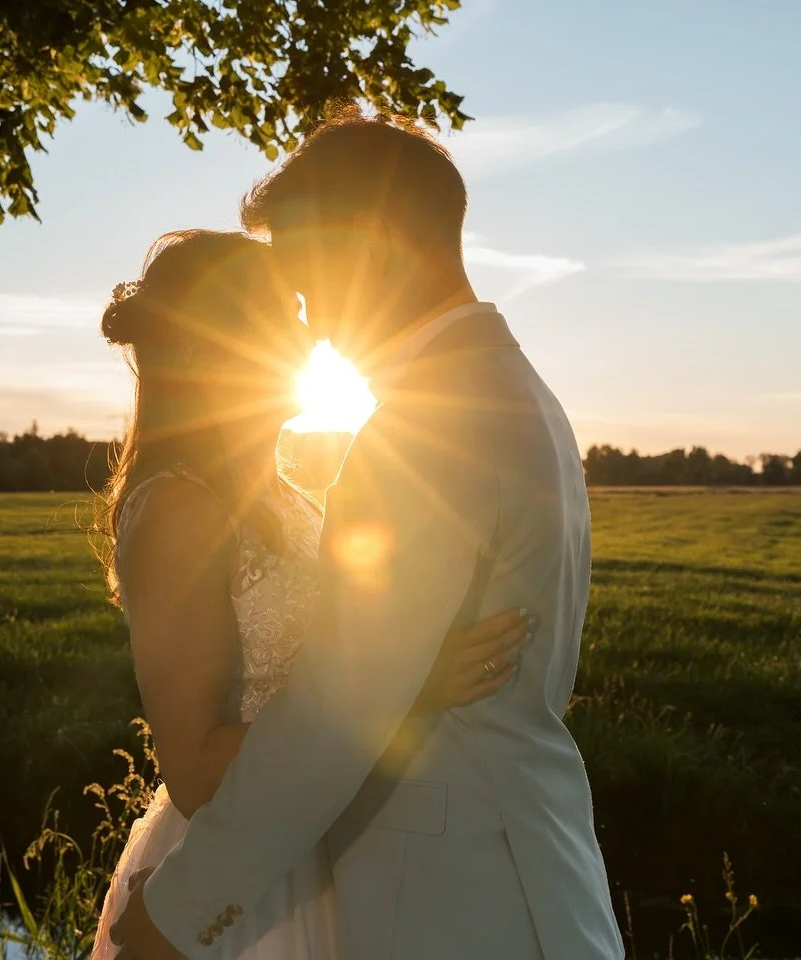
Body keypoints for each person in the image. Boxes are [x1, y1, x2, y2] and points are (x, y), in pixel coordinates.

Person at [109, 111, 625, 960]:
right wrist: (413, 680)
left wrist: (177, 912)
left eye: (310, 278)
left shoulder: (428, 426)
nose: (308, 320)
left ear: (374, 244)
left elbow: (339, 710)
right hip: (520, 870)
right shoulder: (513, 391)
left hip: (459, 898)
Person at [90, 228, 534, 960]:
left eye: (300, 310)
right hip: (246, 880)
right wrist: (408, 688)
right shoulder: (178, 510)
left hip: (322, 838)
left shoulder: (287, 493)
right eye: (279, 314)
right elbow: (198, 772)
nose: (308, 336)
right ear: (204, 347)